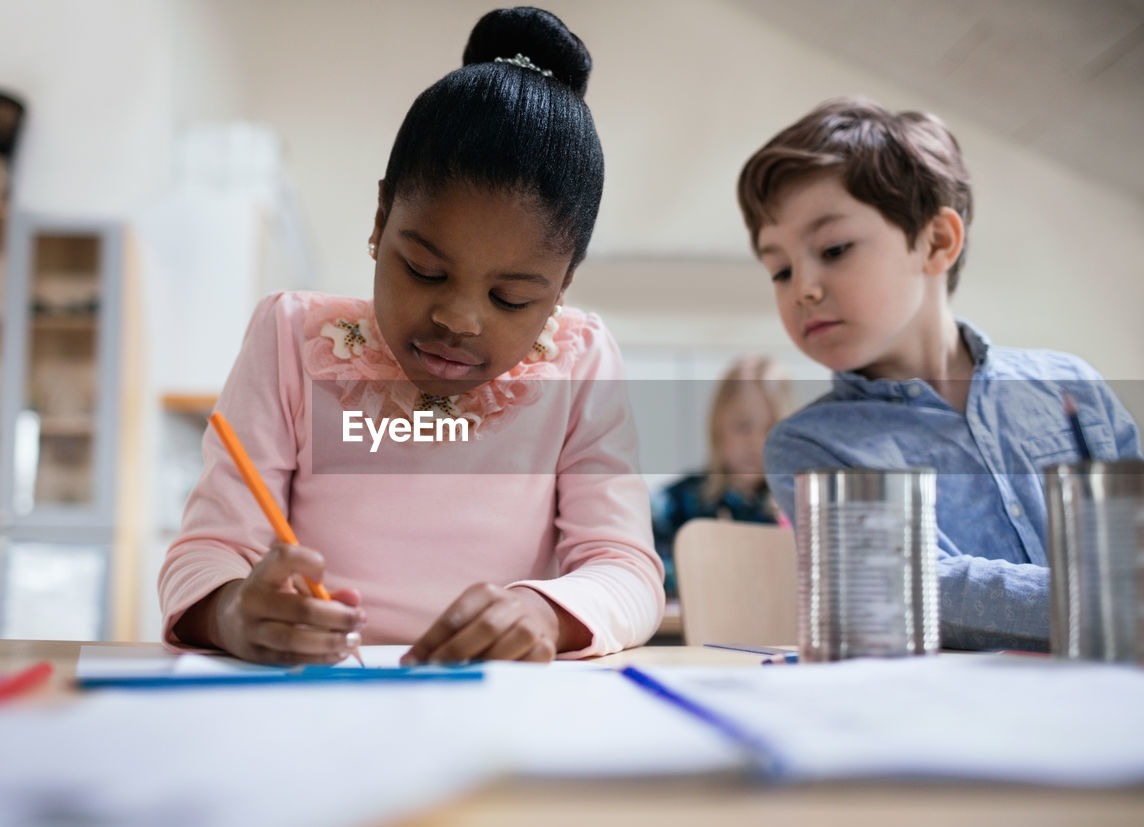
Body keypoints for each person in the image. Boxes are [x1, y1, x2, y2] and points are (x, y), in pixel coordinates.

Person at [160, 7, 663, 666]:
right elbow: (205, 552)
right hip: (314, 703)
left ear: (562, 285)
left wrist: (545, 611)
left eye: (511, 297)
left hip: (496, 714)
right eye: (425, 269)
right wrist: (231, 609)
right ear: (380, 220)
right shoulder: (293, 339)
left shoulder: (580, 361)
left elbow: (627, 569)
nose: (457, 318)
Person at [736, 96, 1142, 651]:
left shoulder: (1070, 384)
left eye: (833, 249)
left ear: (937, 243)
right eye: (779, 269)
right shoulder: (808, 445)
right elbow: (917, 588)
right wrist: (1110, 599)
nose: (802, 287)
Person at [651, 355, 790, 597]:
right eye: (742, 427)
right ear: (718, 428)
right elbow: (650, 574)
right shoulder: (672, 505)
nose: (755, 443)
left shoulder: (794, 510)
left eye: (769, 428)